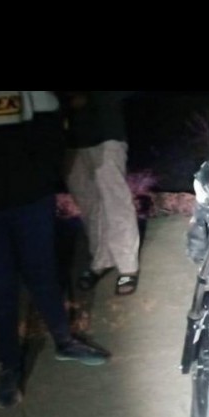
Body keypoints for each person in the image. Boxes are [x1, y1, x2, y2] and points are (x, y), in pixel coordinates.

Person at [0, 91, 110, 409]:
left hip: (31, 201)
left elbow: (51, 127)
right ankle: (9, 366)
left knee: (44, 276)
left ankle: (64, 341)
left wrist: (41, 180)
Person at [63, 91, 141, 296]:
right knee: (88, 204)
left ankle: (127, 266)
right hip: (71, 138)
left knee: (115, 200)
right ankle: (102, 260)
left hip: (107, 133)